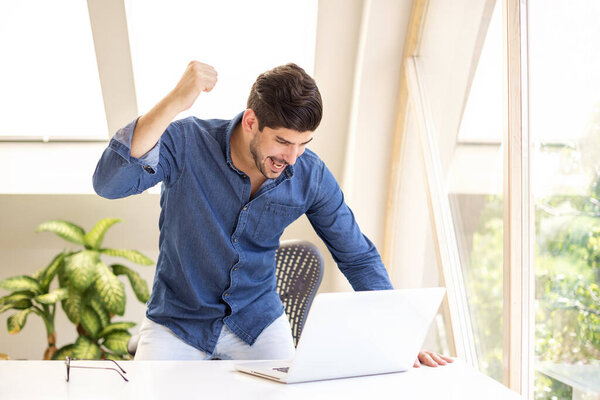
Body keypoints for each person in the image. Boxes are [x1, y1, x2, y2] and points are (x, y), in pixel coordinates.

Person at [93, 61, 452, 367]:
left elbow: (357, 255)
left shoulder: (309, 174)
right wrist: (174, 102)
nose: (292, 157)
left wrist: (398, 336)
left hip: (257, 322)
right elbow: (109, 183)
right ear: (251, 121)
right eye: (282, 141)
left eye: (303, 144)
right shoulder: (187, 142)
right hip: (178, 321)